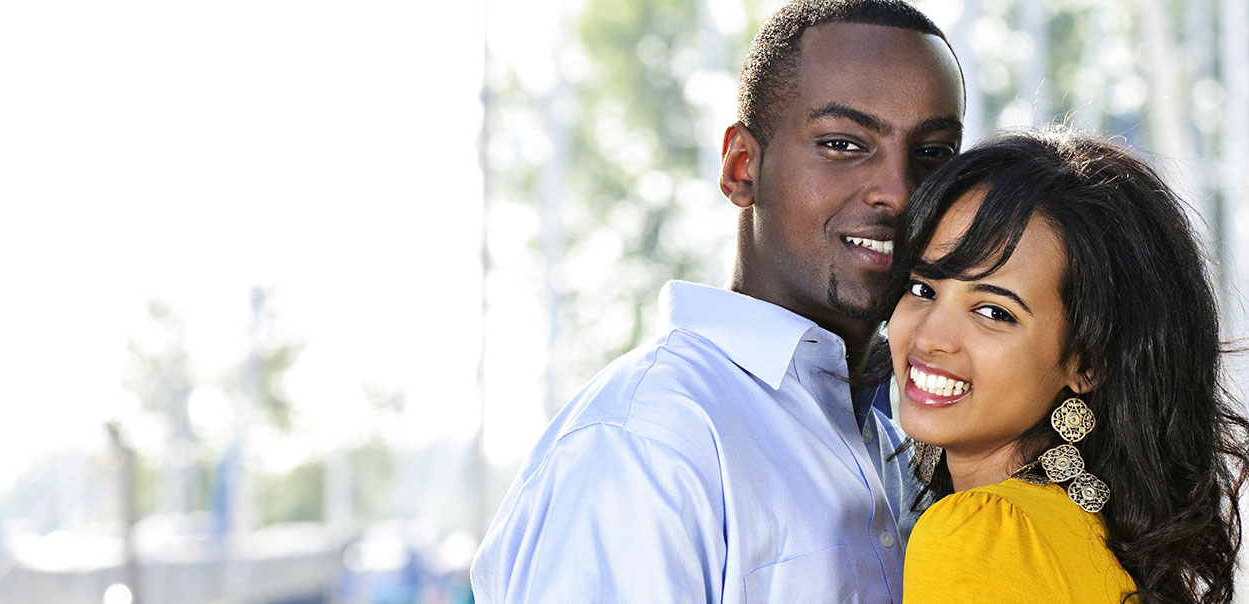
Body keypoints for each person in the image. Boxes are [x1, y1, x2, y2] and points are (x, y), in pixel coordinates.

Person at [471, 0, 964, 602]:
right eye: (842, 144)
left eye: (934, 154)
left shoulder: (903, 439)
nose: (898, 191)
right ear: (740, 167)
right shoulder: (647, 441)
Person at [882, 128, 1249, 603]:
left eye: (994, 312)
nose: (929, 336)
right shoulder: (1091, 532)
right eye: (922, 288)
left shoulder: (982, 537)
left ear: (1088, 362)